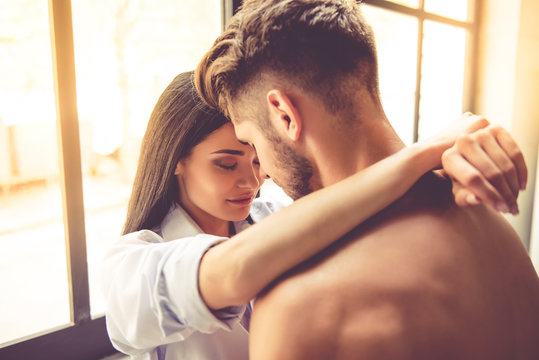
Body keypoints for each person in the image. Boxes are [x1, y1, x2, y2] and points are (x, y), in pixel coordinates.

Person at [195, 0, 539, 359]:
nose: (260, 170)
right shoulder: (492, 226)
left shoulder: (300, 303)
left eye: (251, 142)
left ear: (284, 115)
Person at [100, 71, 525, 360]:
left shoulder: (276, 215)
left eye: (257, 160)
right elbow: (231, 272)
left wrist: (445, 166)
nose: (251, 181)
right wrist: (417, 156)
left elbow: (348, 205)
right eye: (226, 164)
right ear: (175, 160)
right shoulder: (130, 269)